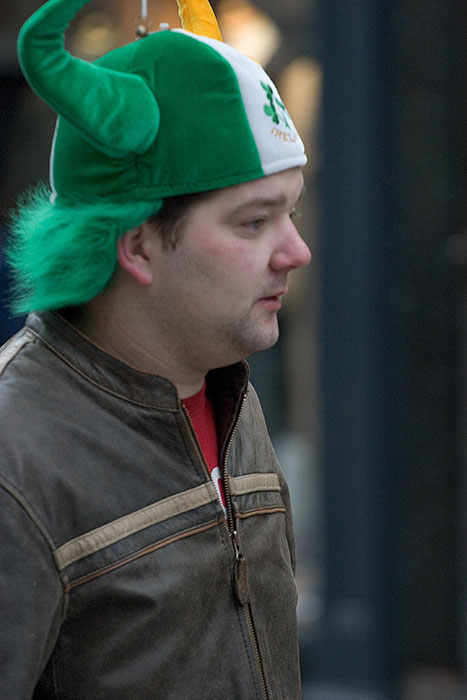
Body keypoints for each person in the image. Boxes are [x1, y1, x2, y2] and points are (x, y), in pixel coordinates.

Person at [0, 0, 311, 697]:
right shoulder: (15, 461)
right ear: (137, 244)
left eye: (289, 211)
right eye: (254, 221)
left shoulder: (230, 396)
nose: (296, 251)